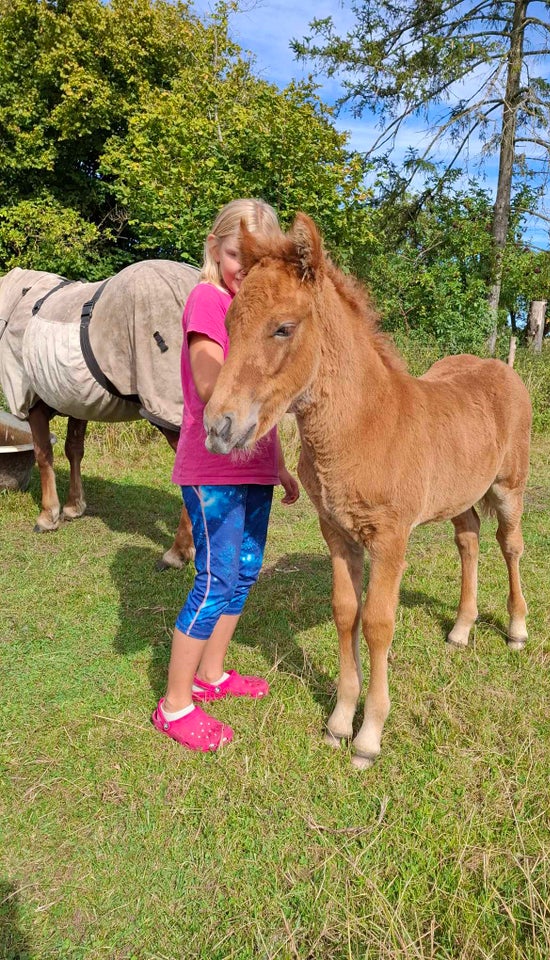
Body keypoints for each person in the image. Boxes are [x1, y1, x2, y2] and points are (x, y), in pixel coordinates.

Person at [152, 198, 300, 751]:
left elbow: (267, 397)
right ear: (215, 247)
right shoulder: (208, 300)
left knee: (243, 570)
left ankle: (211, 677)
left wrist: (279, 464)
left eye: (258, 262)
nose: (245, 268)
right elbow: (216, 385)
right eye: (239, 255)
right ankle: (175, 705)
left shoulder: (252, 306)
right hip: (212, 469)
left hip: (255, 467)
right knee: (213, 578)